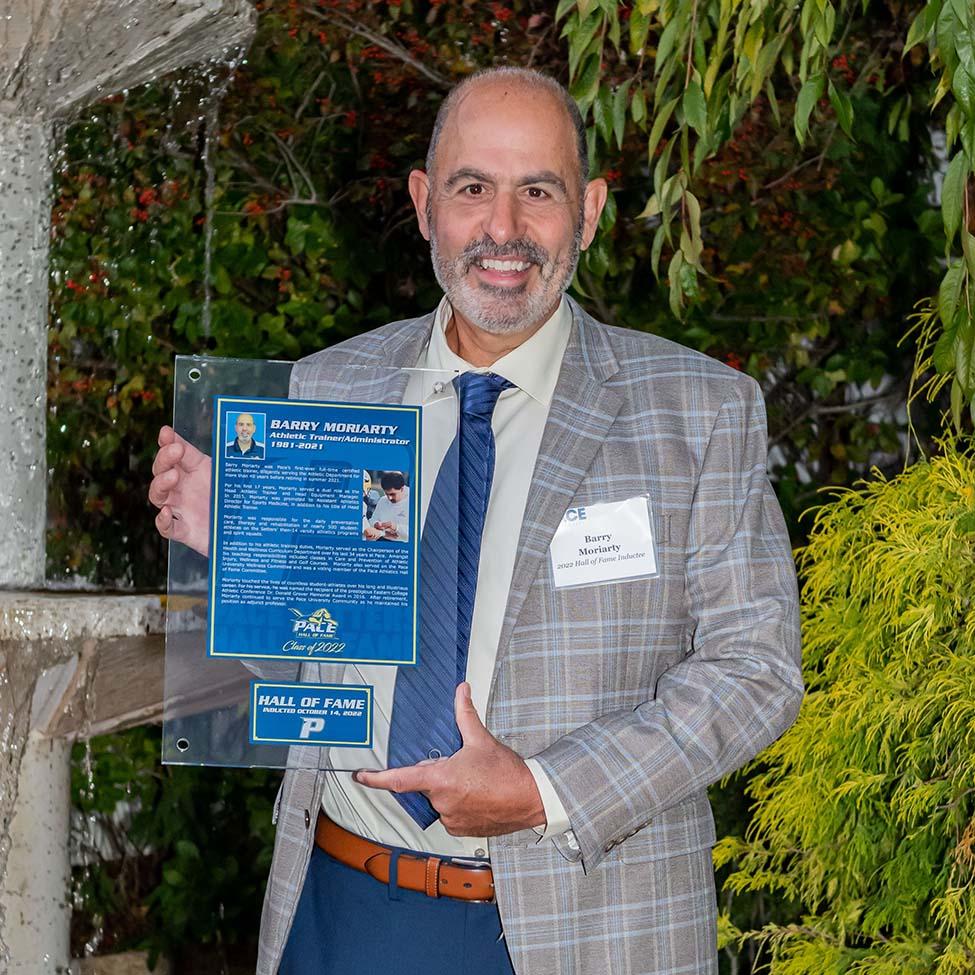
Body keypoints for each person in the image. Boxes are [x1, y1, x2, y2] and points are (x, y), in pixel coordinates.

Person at [149, 67, 802, 975]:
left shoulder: (697, 412)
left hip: (592, 925)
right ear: (424, 205)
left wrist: (541, 790)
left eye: (538, 190)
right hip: (347, 909)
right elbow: (301, 668)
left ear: (590, 211)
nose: (503, 229)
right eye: (472, 189)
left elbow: (756, 670)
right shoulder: (329, 391)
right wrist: (243, 548)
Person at [364, 472, 410, 542]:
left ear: (402, 489)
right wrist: (376, 524)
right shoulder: (383, 500)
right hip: (383, 541)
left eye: (392, 494)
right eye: (386, 494)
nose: (389, 498)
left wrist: (396, 527)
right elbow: (372, 520)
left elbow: (418, 533)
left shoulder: (414, 502)